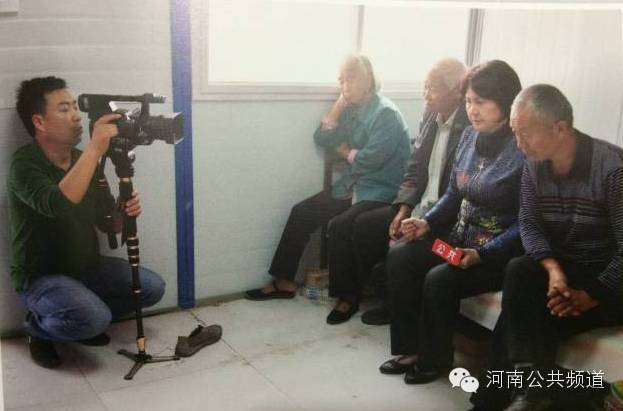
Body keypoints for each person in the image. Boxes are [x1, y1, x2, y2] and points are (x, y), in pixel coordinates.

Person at [469, 85, 623, 411]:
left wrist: (591, 294)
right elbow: (529, 224)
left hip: (611, 281)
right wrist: (553, 270)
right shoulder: (534, 165)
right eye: (515, 132)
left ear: (560, 128)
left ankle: (501, 400)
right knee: (521, 270)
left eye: (526, 134)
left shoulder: (612, 169)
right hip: (567, 275)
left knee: (522, 316)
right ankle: (533, 394)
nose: (519, 144)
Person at [379, 60, 524, 384]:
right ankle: (411, 349)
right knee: (402, 255)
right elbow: (454, 193)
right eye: (469, 101)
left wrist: (484, 254)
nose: (472, 110)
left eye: (481, 102)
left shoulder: (522, 148)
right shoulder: (469, 137)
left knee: (439, 278)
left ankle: (434, 360)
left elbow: (526, 223)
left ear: (505, 101)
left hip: (493, 255)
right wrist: (427, 223)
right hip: (457, 245)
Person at [8, 76, 166, 368]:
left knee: (152, 287)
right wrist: (95, 149)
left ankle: (81, 316)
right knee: (95, 319)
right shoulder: (24, 164)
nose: (77, 116)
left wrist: (124, 213)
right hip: (40, 276)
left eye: (75, 107)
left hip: (85, 266)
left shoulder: (85, 160)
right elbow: (57, 205)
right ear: (39, 122)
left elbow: (108, 225)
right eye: (64, 109)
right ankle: (37, 329)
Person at [244, 54, 410, 318]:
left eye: (350, 79)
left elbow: (370, 160)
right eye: (340, 80)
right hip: (352, 186)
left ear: (367, 80)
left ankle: (348, 296)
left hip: (379, 191)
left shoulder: (385, 113)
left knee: (340, 226)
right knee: (301, 212)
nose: (344, 85)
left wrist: (344, 151)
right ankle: (284, 281)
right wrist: (338, 106)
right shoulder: (352, 110)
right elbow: (321, 137)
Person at [328, 58, 470, 326]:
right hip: (417, 204)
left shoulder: (468, 129)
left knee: (400, 250)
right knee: (365, 227)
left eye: (433, 88)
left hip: (442, 215)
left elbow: (458, 192)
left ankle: (395, 304)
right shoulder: (431, 116)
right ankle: (369, 294)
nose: (425, 94)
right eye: (424, 86)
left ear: (456, 93)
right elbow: (414, 168)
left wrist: (425, 221)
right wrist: (402, 209)